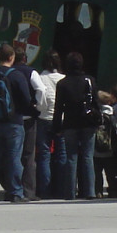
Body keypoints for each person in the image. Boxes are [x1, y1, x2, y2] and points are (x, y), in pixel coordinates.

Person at [0, 43, 32, 203]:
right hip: (14, 122)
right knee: (13, 158)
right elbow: (26, 99)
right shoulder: (16, 75)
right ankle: (16, 192)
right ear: (12, 57)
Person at [51, 51, 96, 200]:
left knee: (71, 157)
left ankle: (69, 192)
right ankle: (90, 191)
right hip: (88, 123)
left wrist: (57, 128)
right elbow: (95, 102)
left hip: (70, 123)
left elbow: (58, 108)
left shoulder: (62, 84)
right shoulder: (89, 80)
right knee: (88, 157)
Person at [11, 48, 45, 200]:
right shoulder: (31, 72)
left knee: (12, 155)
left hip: (11, 118)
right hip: (28, 119)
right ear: (25, 58)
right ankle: (29, 191)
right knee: (29, 156)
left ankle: (12, 189)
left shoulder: (8, 72)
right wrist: (38, 108)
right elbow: (41, 90)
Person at [36, 51, 67, 198]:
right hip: (60, 119)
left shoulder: (40, 78)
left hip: (44, 118)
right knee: (62, 154)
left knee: (44, 155)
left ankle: (45, 190)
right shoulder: (63, 78)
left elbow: (40, 98)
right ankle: (61, 189)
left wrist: (40, 110)